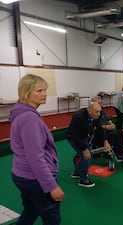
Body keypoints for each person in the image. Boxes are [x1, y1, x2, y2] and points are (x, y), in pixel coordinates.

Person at [9, 74, 64, 225]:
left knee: (31, 211)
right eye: (39, 90)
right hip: (34, 179)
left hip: (22, 175)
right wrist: (51, 186)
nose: (44, 93)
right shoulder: (29, 118)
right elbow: (35, 157)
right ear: (27, 93)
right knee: (52, 218)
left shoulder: (21, 113)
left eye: (45, 90)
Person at [67, 102, 111, 188]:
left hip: (83, 136)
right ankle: (83, 180)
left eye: (100, 112)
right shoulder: (78, 116)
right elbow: (75, 135)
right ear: (90, 111)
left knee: (83, 155)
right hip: (73, 137)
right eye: (97, 112)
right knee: (86, 156)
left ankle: (76, 173)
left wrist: (105, 141)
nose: (99, 114)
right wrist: (84, 149)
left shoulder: (95, 115)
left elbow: (100, 128)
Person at [91, 96, 123, 161]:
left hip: (107, 131)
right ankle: (119, 155)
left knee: (122, 133)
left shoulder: (101, 111)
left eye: (100, 103)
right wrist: (106, 127)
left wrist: (112, 124)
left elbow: (108, 120)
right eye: (98, 103)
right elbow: (93, 128)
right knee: (115, 135)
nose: (100, 104)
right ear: (93, 103)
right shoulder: (92, 113)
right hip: (98, 134)